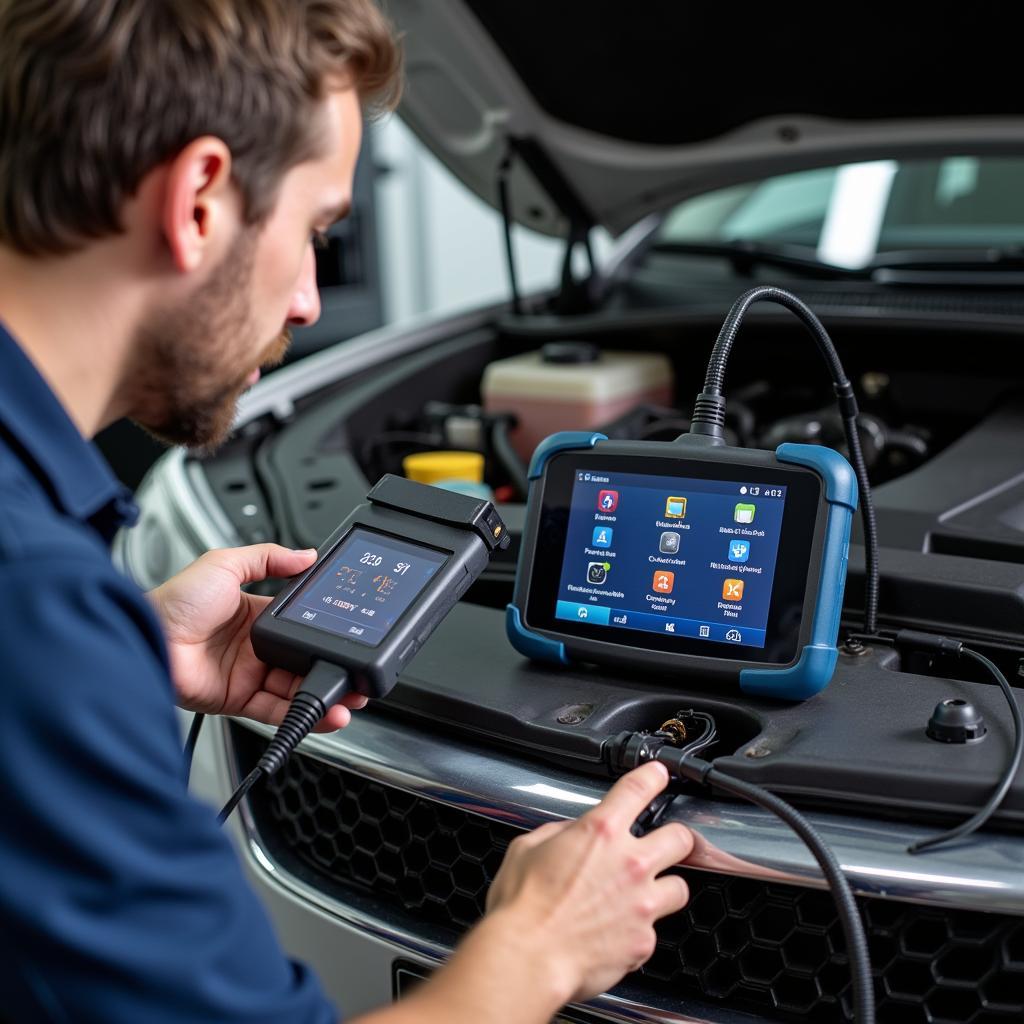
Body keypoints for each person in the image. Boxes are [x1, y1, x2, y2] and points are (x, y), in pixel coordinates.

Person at [0, 1, 695, 1021]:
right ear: (198, 198)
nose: (308, 303)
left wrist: (123, 657)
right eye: (318, 230)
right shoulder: (35, 608)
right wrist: (537, 949)